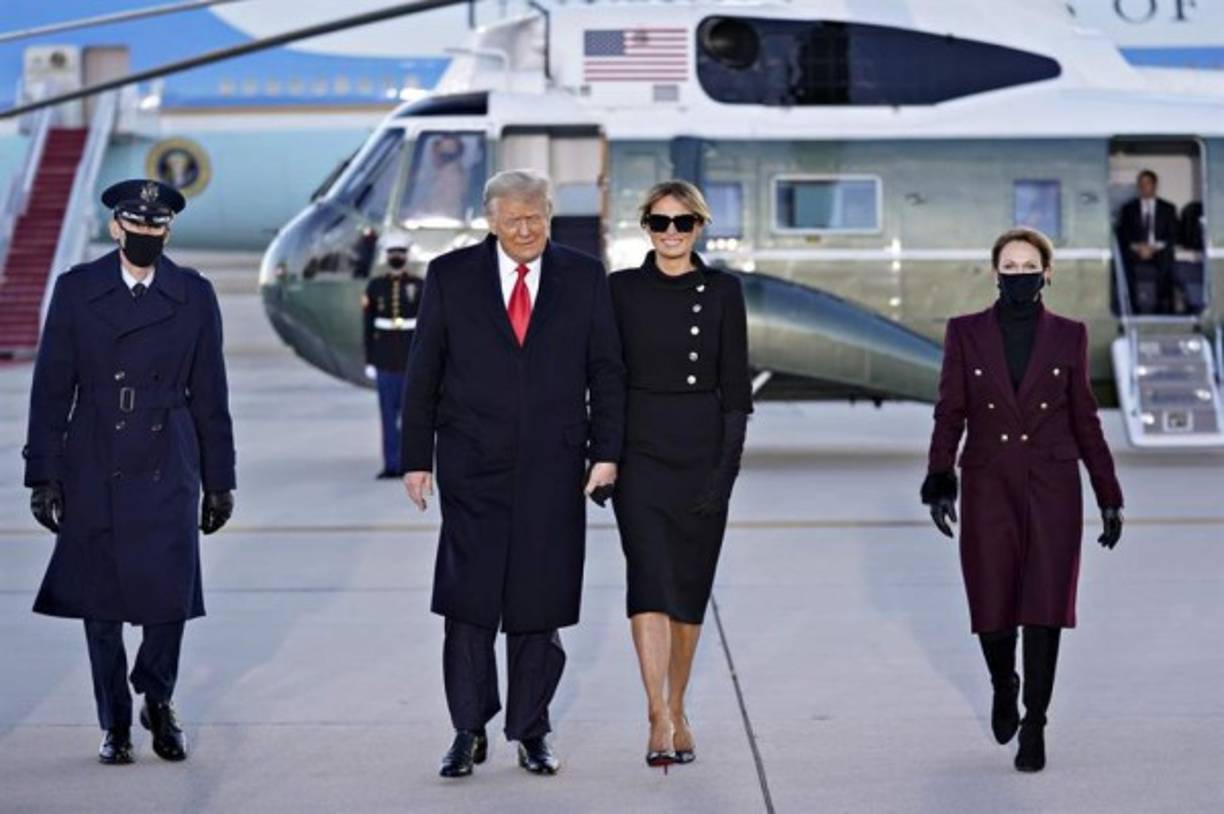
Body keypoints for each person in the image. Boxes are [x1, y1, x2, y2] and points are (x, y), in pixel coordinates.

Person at [399, 169, 625, 778]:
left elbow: (606, 371)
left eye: (535, 218)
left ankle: (532, 730)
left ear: (549, 215)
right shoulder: (450, 275)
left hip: (554, 467)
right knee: (468, 604)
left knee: (537, 603)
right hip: (471, 465)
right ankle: (467, 729)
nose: (525, 231)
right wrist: (416, 459)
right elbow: (424, 371)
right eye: (513, 220)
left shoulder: (584, 276)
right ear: (490, 220)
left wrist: (606, 452)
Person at [23, 179, 236, 765]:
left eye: (156, 227)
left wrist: (220, 480)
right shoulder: (76, 290)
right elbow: (51, 389)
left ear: (168, 230)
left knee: (169, 597)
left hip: (169, 456)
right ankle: (114, 722)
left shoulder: (194, 294)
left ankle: (158, 699)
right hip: (94, 455)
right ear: (116, 227)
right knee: (101, 606)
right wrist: (43, 474)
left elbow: (211, 394)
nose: (145, 234)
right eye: (135, 225)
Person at [921, 227, 1124, 774]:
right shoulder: (965, 332)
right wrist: (939, 475)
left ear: (1046, 273)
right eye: (1008, 267)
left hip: (1052, 486)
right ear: (995, 273)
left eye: (1028, 266)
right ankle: (1002, 682)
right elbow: (950, 410)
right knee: (991, 603)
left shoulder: (1069, 335)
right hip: (988, 483)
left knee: (1044, 607)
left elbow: (1085, 418)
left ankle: (1035, 724)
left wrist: (1107, 492)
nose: (1018, 275)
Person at [609, 181, 752, 768]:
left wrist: (726, 472)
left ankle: (678, 704)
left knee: (689, 591)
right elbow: (605, 378)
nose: (671, 233)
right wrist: (602, 456)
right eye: (660, 221)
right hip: (640, 453)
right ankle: (656, 714)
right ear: (645, 225)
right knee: (649, 580)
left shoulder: (722, 291)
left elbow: (736, 391)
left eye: (683, 222)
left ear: (700, 226)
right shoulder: (619, 289)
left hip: (701, 455)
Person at [362, 234, 422, 479]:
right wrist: (370, 360)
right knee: (387, 416)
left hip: (411, 358)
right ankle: (391, 464)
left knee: (411, 417)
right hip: (385, 358)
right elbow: (368, 326)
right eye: (392, 253)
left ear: (406, 256)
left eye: (400, 253)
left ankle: (410, 464)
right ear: (387, 257)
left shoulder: (419, 285)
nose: (396, 257)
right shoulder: (375, 286)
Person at [1115, 169, 1178, 313]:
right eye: (1141, 183)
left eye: (1147, 183)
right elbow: (1123, 235)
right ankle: (1132, 306)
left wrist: (1154, 248)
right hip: (1136, 250)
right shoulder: (1128, 209)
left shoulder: (1168, 208)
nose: (1144, 187)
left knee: (1167, 259)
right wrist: (1139, 247)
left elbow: (1173, 235)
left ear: (1155, 185)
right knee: (1123, 259)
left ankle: (1162, 307)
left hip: (1159, 250)